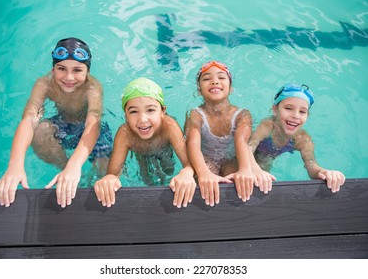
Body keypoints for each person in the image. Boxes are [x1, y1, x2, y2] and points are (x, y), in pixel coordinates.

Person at [0, 37, 113, 208]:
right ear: (53, 69)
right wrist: (15, 165)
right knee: (41, 130)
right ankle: (65, 170)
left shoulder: (92, 87)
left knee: (105, 170)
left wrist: (76, 163)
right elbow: (29, 120)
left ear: (87, 71)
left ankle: (77, 171)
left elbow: (93, 122)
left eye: (77, 70)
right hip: (63, 125)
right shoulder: (44, 84)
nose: (69, 77)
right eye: (61, 69)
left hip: (91, 129)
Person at [94, 77, 196, 208]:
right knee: (146, 178)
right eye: (134, 112)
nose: (142, 119)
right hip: (140, 151)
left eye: (151, 110)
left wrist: (186, 173)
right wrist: (110, 179)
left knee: (168, 170)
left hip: (164, 148)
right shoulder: (125, 133)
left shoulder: (169, 126)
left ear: (162, 111)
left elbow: (189, 163)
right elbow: (113, 172)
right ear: (125, 115)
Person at [249, 84, 345, 194]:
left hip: (269, 156)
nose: (296, 116)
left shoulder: (303, 139)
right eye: (288, 108)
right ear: (275, 110)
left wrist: (323, 172)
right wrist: (255, 168)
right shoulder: (267, 126)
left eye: (302, 112)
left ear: (307, 116)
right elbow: (248, 147)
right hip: (252, 152)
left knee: (263, 177)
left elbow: (311, 165)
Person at [184, 61, 254, 207]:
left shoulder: (242, 115)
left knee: (238, 180)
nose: (214, 81)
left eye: (221, 77)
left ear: (231, 88)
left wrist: (245, 169)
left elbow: (241, 141)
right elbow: (192, 144)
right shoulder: (195, 114)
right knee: (205, 182)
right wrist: (203, 172)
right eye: (207, 78)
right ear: (199, 90)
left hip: (231, 159)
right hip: (207, 159)